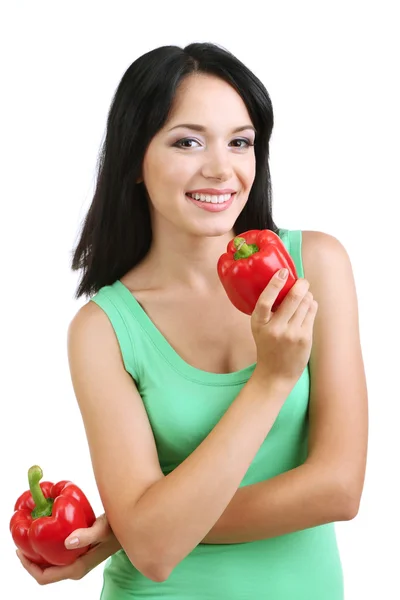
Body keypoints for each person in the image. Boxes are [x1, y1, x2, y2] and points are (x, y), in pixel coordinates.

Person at [16, 42, 368, 599]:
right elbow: (154, 553)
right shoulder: (104, 328)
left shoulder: (316, 266)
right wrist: (271, 379)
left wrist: (147, 525)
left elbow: (340, 489)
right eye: (187, 141)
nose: (220, 168)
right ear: (134, 159)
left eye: (241, 143)